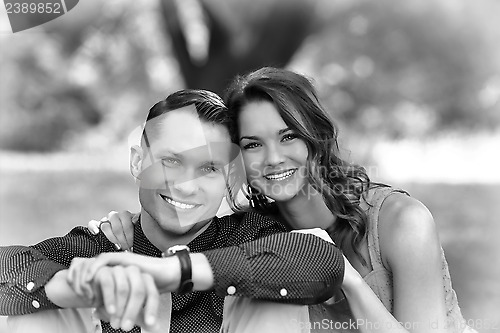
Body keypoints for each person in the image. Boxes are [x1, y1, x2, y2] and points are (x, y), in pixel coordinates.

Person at [100, 68, 478, 333]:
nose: (273, 158)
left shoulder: (401, 222)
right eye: (252, 145)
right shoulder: (258, 234)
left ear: (316, 135)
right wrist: (134, 224)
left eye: (288, 136)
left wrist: (347, 279)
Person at [0, 89, 345, 333]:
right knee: (39, 303)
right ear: (138, 162)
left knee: (270, 294)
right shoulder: (98, 250)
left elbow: (321, 259)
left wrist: (170, 271)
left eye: (209, 168)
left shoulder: (248, 236)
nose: (185, 186)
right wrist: (79, 284)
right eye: (170, 161)